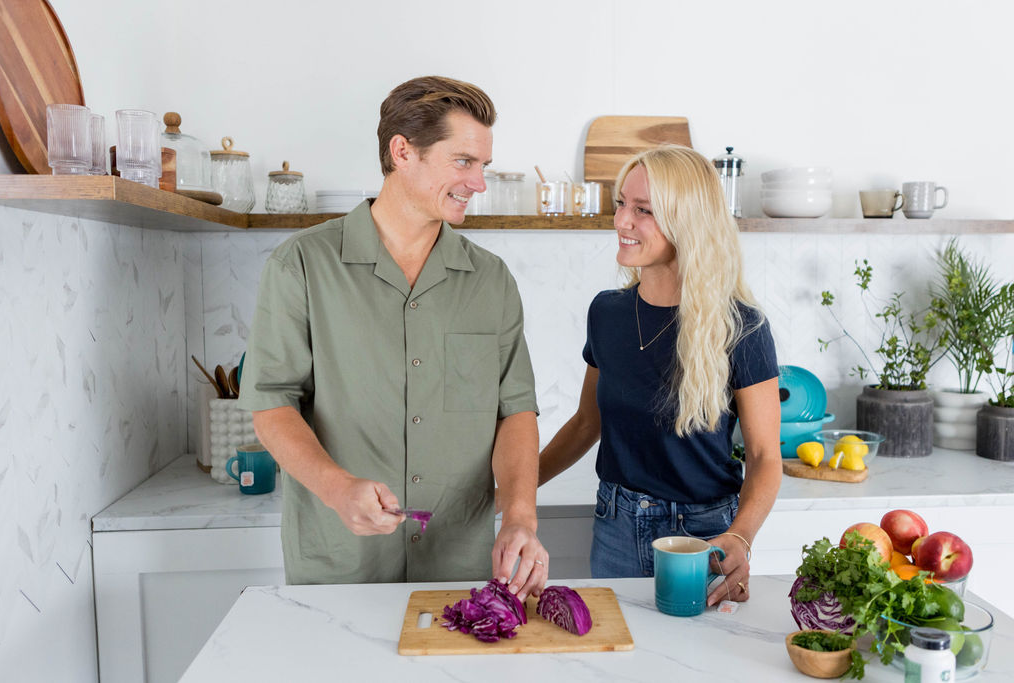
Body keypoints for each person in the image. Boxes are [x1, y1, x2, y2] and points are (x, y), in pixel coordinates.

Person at [237, 76, 547, 601]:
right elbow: (270, 403)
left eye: (483, 166)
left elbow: (514, 410)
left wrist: (520, 515)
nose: (479, 184)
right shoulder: (303, 266)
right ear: (403, 152)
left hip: (459, 565)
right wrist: (337, 489)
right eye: (463, 161)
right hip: (341, 565)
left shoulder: (491, 280)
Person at [538, 145, 780, 605]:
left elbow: (766, 456)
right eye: (621, 204)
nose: (622, 221)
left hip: (706, 535)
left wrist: (741, 537)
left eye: (643, 210)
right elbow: (588, 423)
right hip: (617, 523)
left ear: (686, 222)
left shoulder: (741, 327)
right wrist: (511, 489)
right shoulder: (607, 313)